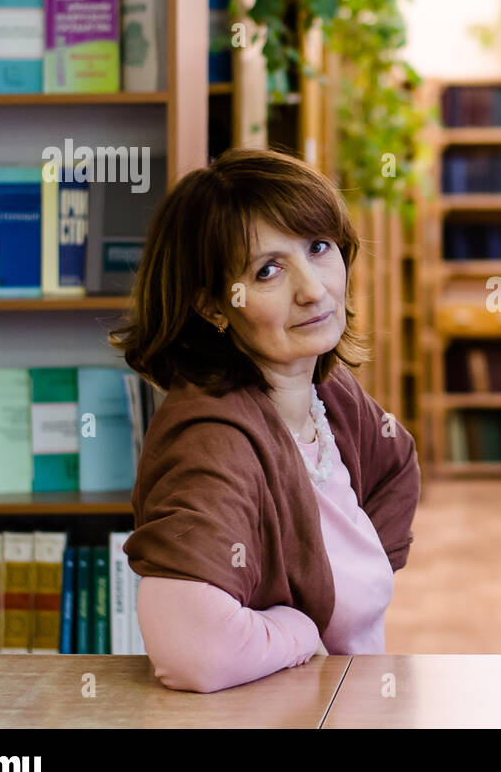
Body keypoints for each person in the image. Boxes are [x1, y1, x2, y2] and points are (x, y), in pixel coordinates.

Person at [111, 148, 420, 693]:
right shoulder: (213, 439)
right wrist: (304, 631)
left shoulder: (330, 394)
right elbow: (192, 652)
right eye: (268, 270)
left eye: (319, 247)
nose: (313, 288)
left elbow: (396, 466)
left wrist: (350, 586)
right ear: (212, 306)